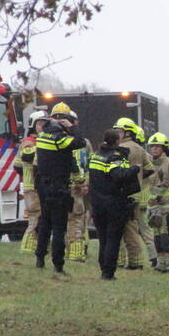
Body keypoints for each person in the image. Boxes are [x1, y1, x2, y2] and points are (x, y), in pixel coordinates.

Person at [34, 101, 86, 273]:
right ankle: (58, 264)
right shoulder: (60, 139)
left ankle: (40, 258)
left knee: (45, 222)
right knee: (58, 227)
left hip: (43, 185)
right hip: (58, 186)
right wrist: (71, 127)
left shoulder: (42, 136)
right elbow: (80, 141)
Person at [89, 129, 140, 280]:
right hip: (113, 203)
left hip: (97, 203)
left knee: (103, 238)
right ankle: (108, 272)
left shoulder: (96, 155)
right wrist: (135, 168)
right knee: (113, 238)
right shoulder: (114, 157)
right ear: (117, 141)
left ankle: (103, 267)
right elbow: (119, 175)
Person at [112, 117, 154, 270]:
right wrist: (138, 178)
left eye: (119, 131)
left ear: (127, 133)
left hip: (120, 194)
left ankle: (118, 261)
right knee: (132, 229)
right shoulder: (139, 149)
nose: (116, 133)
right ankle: (136, 262)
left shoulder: (118, 149)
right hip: (135, 195)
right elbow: (150, 169)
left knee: (116, 229)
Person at [15, 111, 48, 255]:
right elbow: (27, 156)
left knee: (41, 218)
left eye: (45, 123)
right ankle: (28, 249)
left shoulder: (42, 140)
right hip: (32, 186)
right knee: (35, 218)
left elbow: (17, 165)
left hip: (40, 185)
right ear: (33, 125)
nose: (43, 126)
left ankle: (38, 247)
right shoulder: (29, 141)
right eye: (40, 123)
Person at [146, 132, 169, 272]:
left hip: (167, 206)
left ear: (164, 148)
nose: (154, 149)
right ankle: (161, 262)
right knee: (157, 236)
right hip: (153, 206)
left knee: (167, 236)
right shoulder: (149, 164)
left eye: (157, 146)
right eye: (152, 146)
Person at [65, 110, 93, 263]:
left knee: (81, 217)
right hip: (70, 185)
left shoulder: (85, 143)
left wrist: (86, 183)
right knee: (74, 219)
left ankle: (83, 246)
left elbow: (89, 164)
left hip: (81, 186)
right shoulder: (63, 141)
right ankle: (73, 249)